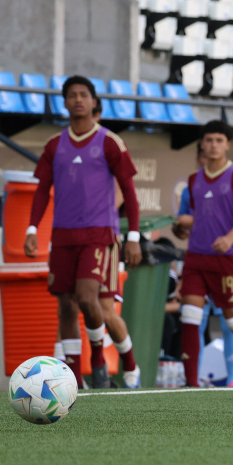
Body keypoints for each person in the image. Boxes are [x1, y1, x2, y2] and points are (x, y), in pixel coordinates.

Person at [24, 75, 142, 389]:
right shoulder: (53, 145)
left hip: (100, 236)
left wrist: (133, 236)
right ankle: (74, 378)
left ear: (93, 102)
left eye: (83, 94)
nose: (77, 99)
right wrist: (32, 228)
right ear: (64, 103)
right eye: (72, 95)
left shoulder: (109, 142)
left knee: (90, 301)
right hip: (63, 237)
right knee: (66, 304)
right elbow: (41, 191)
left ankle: (103, 362)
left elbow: (129, 191)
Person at [171, 120, 233, 388]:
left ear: (227, 144)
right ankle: (191, 384)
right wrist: (181, 226)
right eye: (209, 140)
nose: (213, 145)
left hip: (227, 259)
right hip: (195, 258)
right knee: (189, 315)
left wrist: (229, 237)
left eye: (218, 140)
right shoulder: (193, 180)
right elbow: (194, 217)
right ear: (202, 144)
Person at [92, 99, 140, 388]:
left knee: (105, 310)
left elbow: (121, 196)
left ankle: (131, 366)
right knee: (72, 306)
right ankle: (83, 372)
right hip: (77, 241)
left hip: (105, 241)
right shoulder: (70, 149)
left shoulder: (108, 149)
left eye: (96, 112)